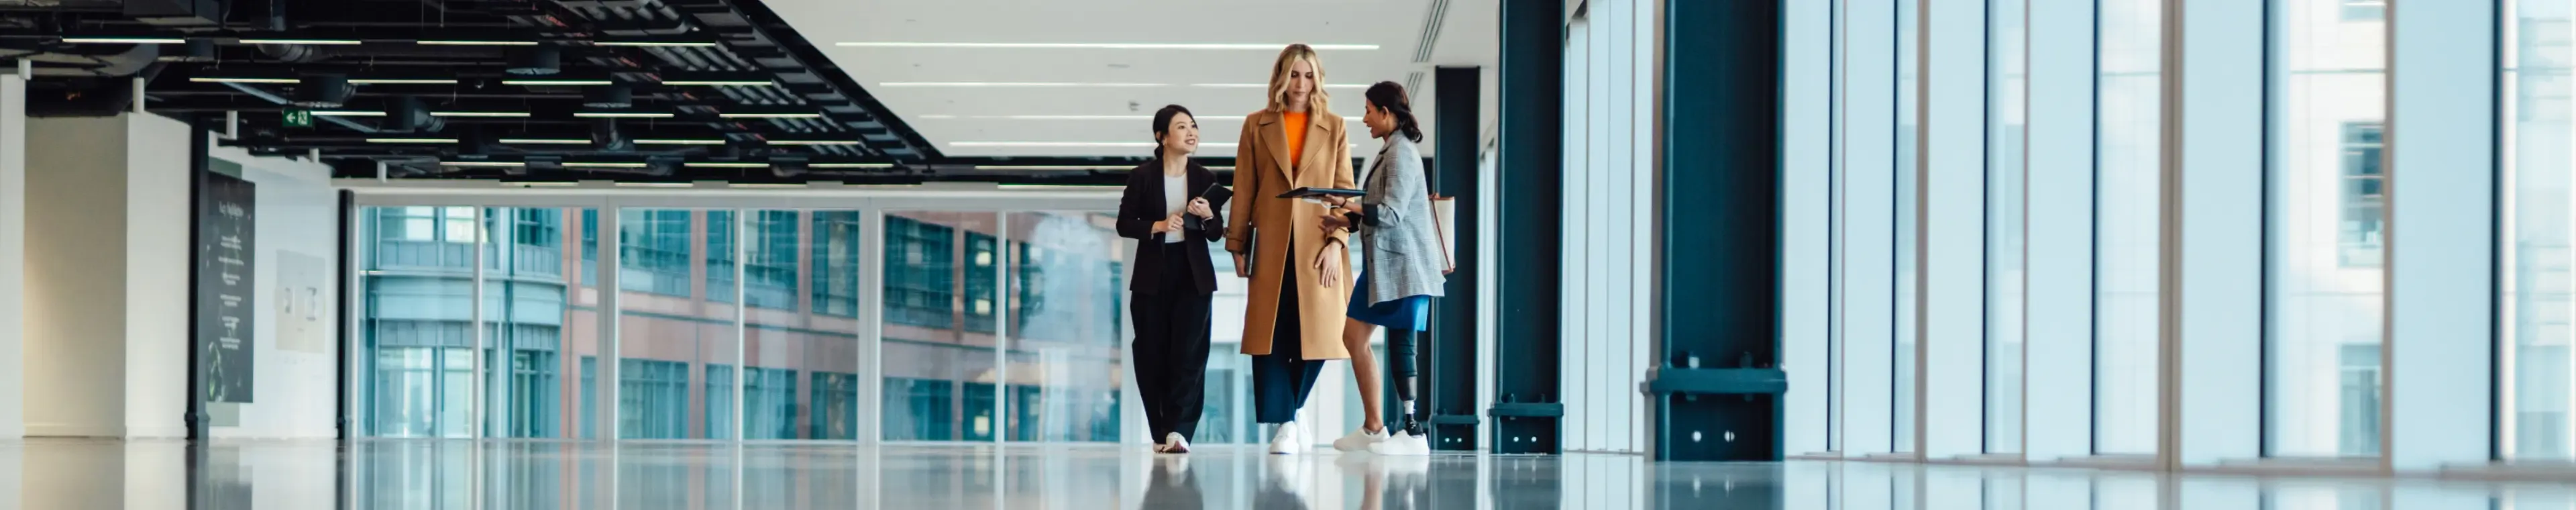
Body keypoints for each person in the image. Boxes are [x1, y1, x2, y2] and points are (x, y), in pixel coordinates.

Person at [1226, 43, 1357, 455]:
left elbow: (1346, 192)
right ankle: (1287, 422)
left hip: (1318, 243)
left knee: (1318, 332)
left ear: (1318, 79)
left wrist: (1337, 242)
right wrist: (1237, 243)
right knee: (1270, 333)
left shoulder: (1335, 126)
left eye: (1309, 75)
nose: (1301, 84)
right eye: (1295, 75)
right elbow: (1244, 187)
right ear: (1281, 78)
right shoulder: (1256, 124)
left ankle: (1293, 412)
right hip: (1271, 242)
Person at [1319, 82, 1444, 456]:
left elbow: (1391, 213)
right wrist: (1345, 220)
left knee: (1402, 342)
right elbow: (1380, 210)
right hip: (1381, 265)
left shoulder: (1402, 153)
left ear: (1386, 113)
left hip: (1404, 266)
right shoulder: (1390, 150)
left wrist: (1348, 205)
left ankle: (1413, 431)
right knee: (1353, 337)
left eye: (1369, 110)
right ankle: (1374, 428)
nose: (1365, 118)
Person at [1118, 105, 1222, 454]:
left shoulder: (1205, 177)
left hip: (1194, 274)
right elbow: (1124, 223)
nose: (1191, 132)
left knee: (1190, 354)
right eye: (1181, 127)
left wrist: (1208, 216)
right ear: (1162, 137)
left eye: (1193, 126)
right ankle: (1161, 431)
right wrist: (1159, 226)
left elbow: (1215, 233)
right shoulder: (1143, 176)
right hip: (1153, 274)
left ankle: (1180, 431)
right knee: (1151, 353)